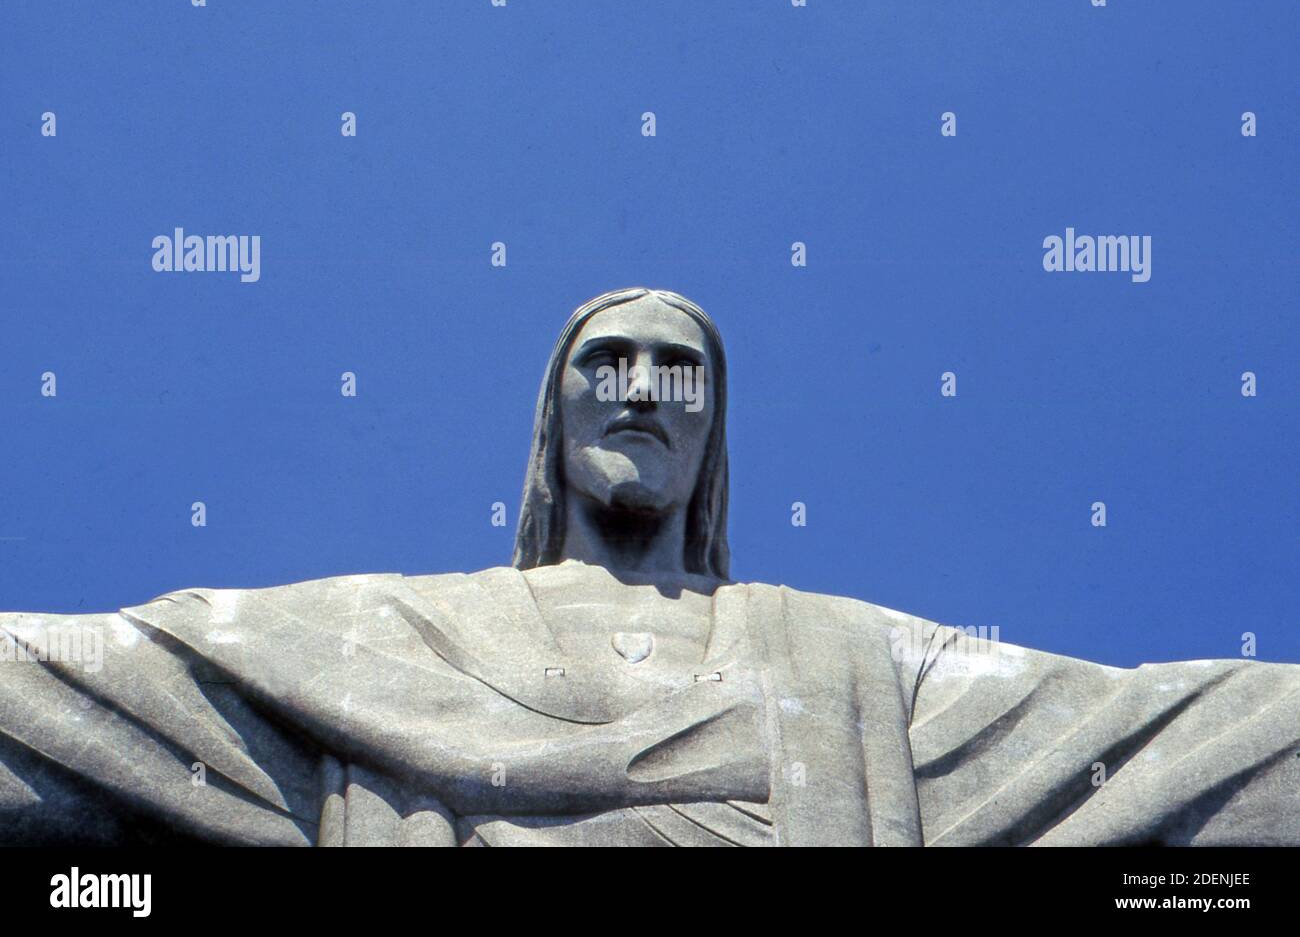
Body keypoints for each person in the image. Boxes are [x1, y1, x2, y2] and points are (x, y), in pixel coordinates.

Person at [2, 288, 1296, 846]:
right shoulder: (393, 633)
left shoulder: (842, 664)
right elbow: (127, 681)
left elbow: (1134, 737)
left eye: (679, 372)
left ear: (710, 432)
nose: (638, 388)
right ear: (552, 423)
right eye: (603, 361)